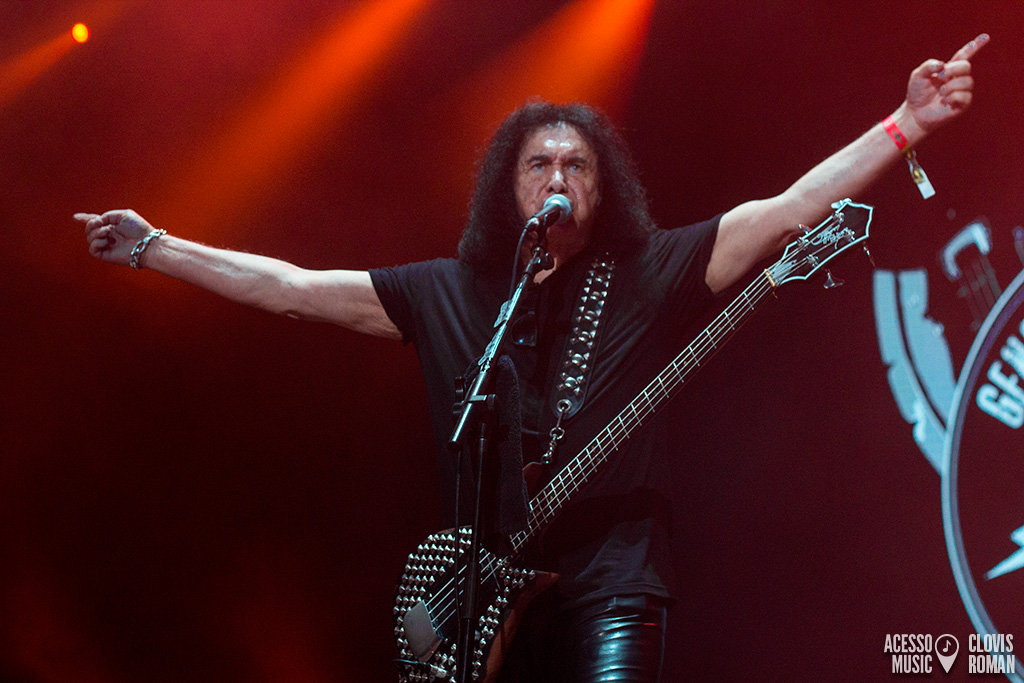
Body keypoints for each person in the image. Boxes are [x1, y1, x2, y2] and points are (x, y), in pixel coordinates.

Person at [77, 35, 987, 682]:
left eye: (578, 165)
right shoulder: (449, 291)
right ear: (504, 188)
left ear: (605, 185)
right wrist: (157, 247)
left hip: (611, 584)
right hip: (485, 598)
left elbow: (787, 210)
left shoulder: (648, 271)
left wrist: (905, 123)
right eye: (539, 164)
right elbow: (291, 287)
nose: (558, 177)